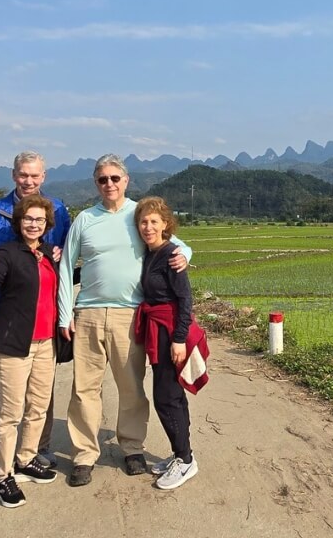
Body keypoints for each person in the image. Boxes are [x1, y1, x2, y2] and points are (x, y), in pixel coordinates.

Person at [57, 154, 192, 487]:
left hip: (130, 315)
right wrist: (64, 314)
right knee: (84, 390)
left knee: (131, 387)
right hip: (87, 312)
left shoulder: (138, 216)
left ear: (126, 180)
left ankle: (132, 448)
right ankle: (85, 455)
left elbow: (178, 246)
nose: (109, 184)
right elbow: (65, 268)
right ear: (96, 183)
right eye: (103, 179)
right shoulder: (84, 220)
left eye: (115, 178)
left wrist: (184, 256)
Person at [0, 152, 71, 482]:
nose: (29, 181)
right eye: (23, 175)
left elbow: (66, 253)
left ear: (44, 176)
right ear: (14, 175)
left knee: (42, 387)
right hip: (5, 311)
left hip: (44, 313)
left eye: (35, 176)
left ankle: (36, 449)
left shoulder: (57, 209)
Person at [133, 196, 209, 491]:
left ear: (166, 225)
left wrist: (178, 340)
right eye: (143, 221)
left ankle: (186, 460)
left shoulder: (171, 253)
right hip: (159, 329)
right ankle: (181, 454)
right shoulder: (151, 253)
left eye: (154, 221)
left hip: (170, 331)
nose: (148, 226)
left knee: (166, 397)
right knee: (172, 395)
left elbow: (185, 299)